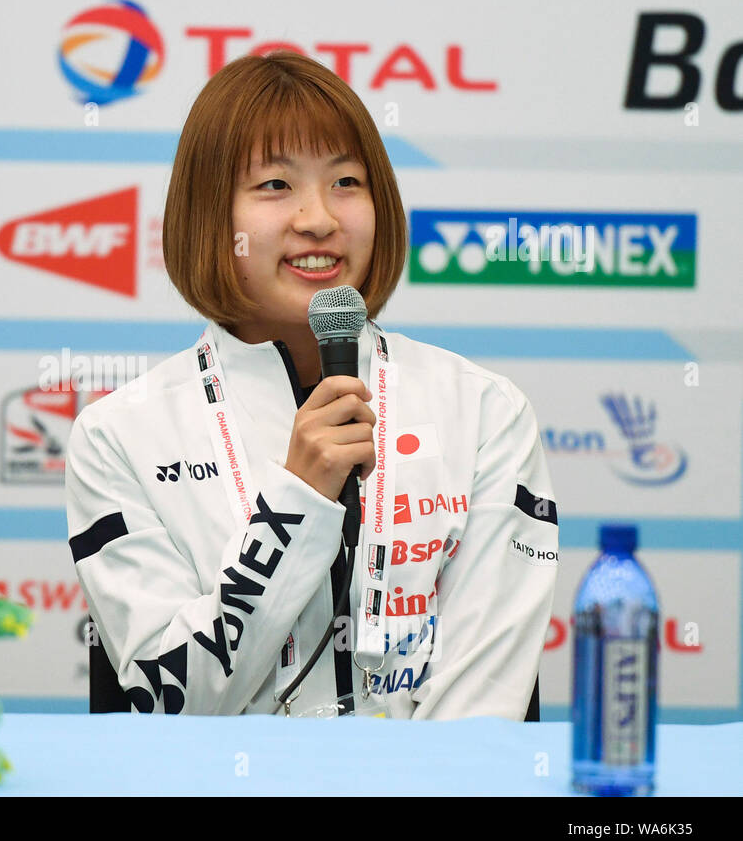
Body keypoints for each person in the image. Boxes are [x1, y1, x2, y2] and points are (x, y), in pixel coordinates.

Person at [65, 53, 559, 719]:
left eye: (347, 181)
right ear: (209, 215)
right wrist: (297, 498)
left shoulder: (484, 411)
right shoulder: (118, 434)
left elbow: (481, 715)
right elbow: (174, 706)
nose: (320, 218)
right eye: (275, 185)